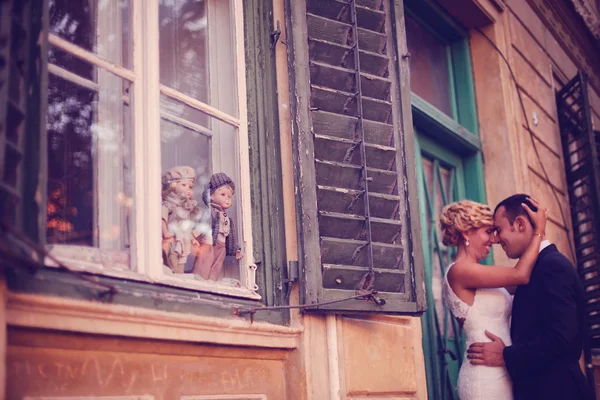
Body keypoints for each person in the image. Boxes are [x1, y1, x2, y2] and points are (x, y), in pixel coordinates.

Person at [466, 194, 594, 400]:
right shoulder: (534, 269)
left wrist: (506, 355)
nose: (496, 239)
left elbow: (563, 339)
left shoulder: (552, 266)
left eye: (498, 230)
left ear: (520, 224)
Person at [440, 197, 547, 399]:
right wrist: (538, 231)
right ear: (466, 232)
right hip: (485, 378)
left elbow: (528, 282)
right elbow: (521, 275)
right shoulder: (460, 271)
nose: (495, 239)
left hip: (503, 368)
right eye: (488, 231)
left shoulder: (481, 273)